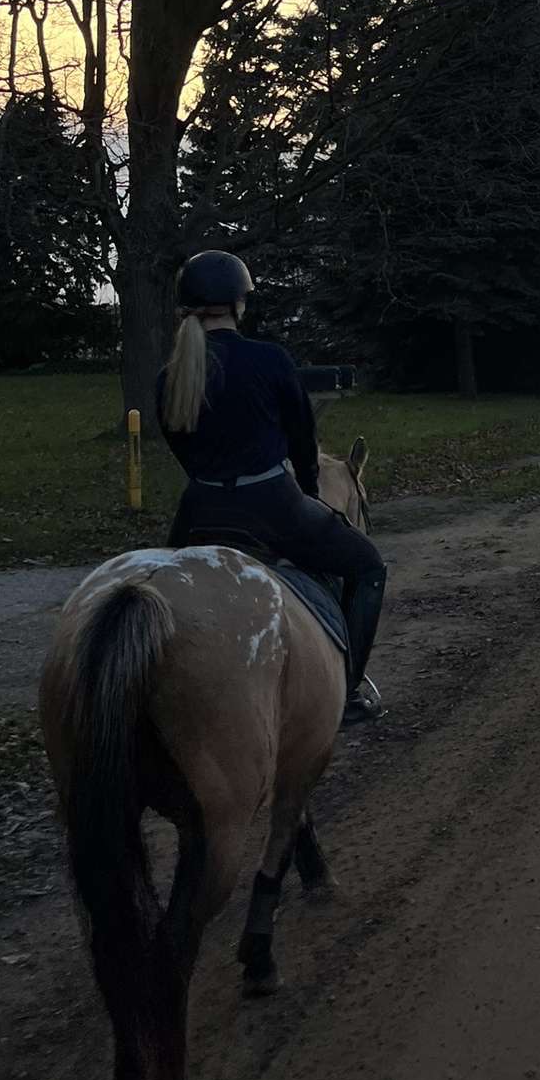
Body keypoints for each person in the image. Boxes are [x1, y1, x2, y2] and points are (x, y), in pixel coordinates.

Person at [157, 250, 387, 725]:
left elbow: (183, 453)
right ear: (239, 304)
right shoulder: (269, 360)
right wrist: (305, 490)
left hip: (198, 511)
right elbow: (303, 443)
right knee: (368, 567)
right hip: (272, 506)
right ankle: (347, 695)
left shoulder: (171, 376)